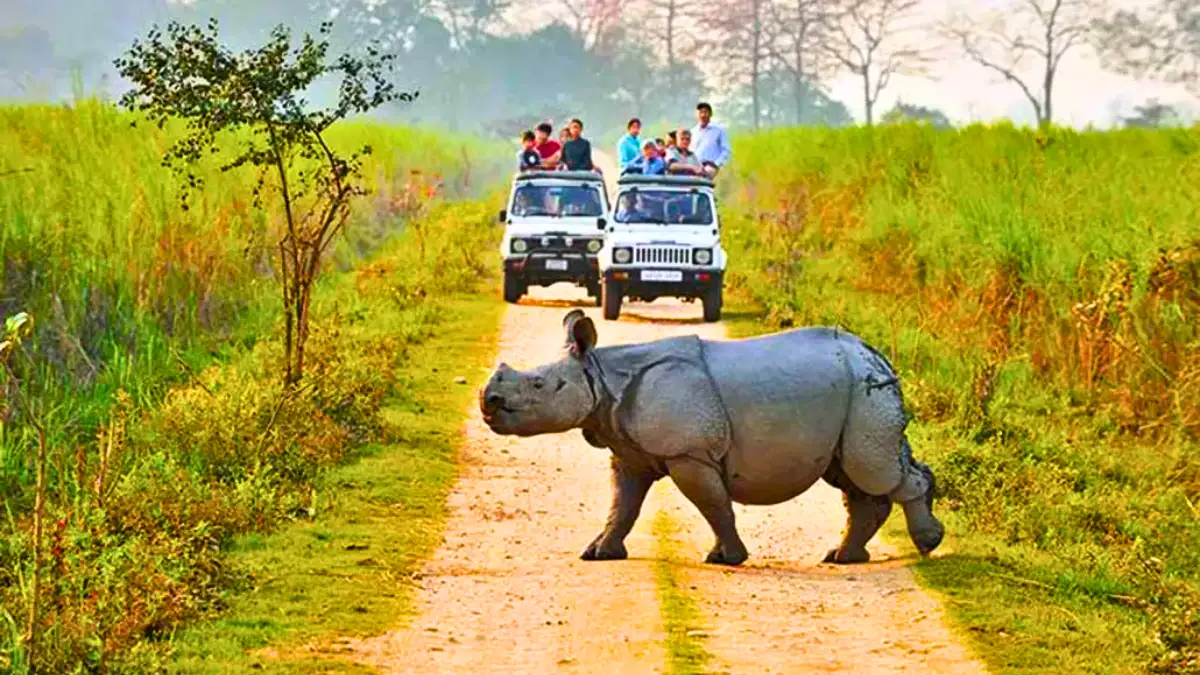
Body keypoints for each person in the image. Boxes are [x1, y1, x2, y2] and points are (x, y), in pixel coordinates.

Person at [690, 102, 732, 176]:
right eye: (700, 112)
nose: (703, 115)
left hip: (711, 168)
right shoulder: (693, 131)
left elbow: (726, 150)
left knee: (705, 185)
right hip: (695, 168)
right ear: (697, 115)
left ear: (710, 114)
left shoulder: (719, 130)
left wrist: (716, 164)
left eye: (705, 112)